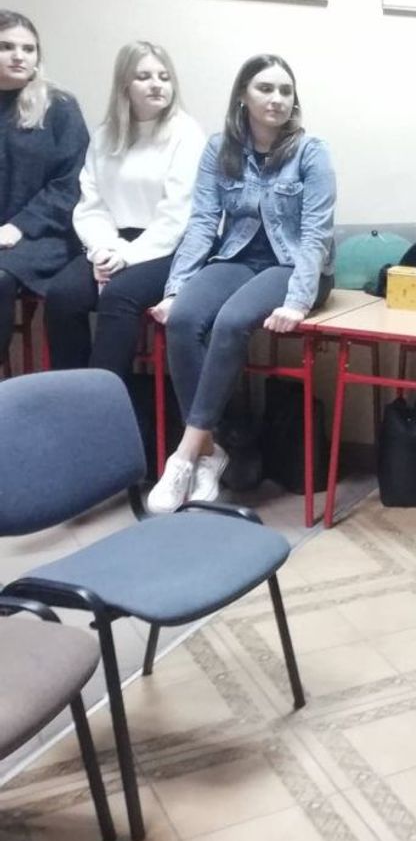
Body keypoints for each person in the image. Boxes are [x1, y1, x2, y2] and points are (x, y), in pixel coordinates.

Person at [145, 54, 336, 513]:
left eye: (285, 90)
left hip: (295, 267)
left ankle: (186, 454)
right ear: (243, 97)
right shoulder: (220, 149)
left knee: (230, 322)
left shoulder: (312, 152)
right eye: (265, 88)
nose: (277, 98)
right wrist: (176, 288)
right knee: (184, 318)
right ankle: (211, 450)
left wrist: (298, 301)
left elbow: (316, 235)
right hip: (238, 257)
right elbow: (202, 223)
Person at [46, 42, 204, 378]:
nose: (157, 84)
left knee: (119, 296)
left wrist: (127, 257)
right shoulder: (106, 135)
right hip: (112, 241)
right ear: (124, 86)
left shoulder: (186, 134)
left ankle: (101, 400)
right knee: (62, 295)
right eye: (144, 77)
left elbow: (176, 214)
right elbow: (91, 203)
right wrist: (102, 250)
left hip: (168, 247)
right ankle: (69, 393)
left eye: (164, 77)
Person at [0, 10, 89, 368]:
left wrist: (18, 226)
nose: (19, 56)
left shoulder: (59, 107)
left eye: (28, 48)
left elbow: (71, 182)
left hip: (45, 236)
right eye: (6, 47)